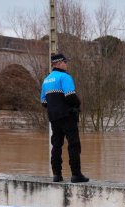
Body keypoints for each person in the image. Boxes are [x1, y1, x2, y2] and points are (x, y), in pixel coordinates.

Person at [41, 53, 89, 183]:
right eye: (65, 62)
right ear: (59, 63)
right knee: (73, 145)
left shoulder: (46, 80)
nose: (67, 64)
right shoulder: (65, 77)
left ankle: (57, 175)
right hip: (67, 116)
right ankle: (76, 174)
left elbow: (44, 102)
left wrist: (55, 107)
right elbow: (70, 96)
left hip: (53, 118)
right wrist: (78, 104)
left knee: (56, 145)